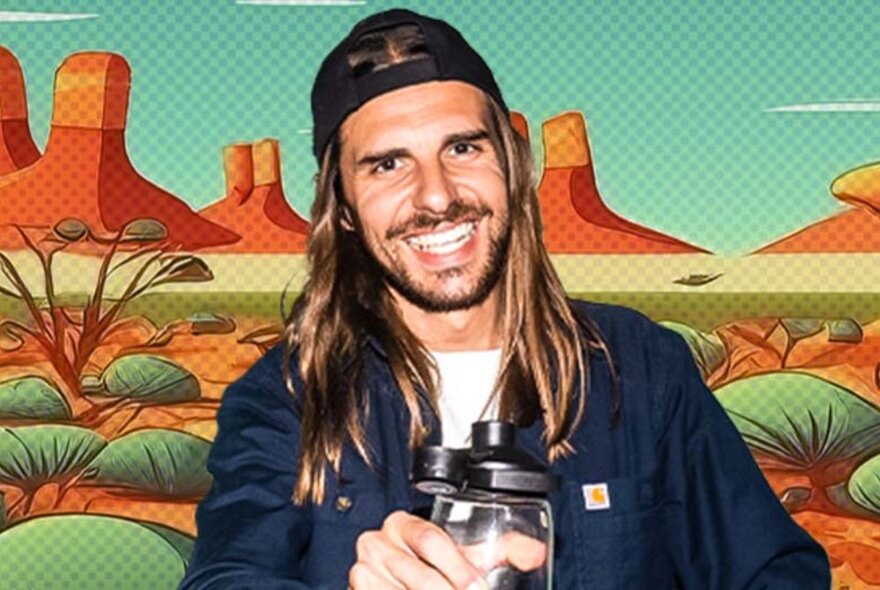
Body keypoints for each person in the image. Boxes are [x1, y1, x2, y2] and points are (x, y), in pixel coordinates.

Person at [180, 8, 831, 589]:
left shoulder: (638, 369)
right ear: (343, 209)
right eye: (387, 164)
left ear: (514, 164)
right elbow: (226, 576)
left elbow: (778, 573)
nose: (436, 196)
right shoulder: (289, 400)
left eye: (462, 148)